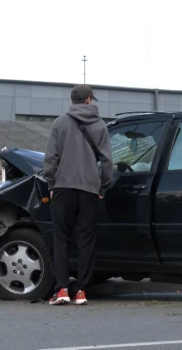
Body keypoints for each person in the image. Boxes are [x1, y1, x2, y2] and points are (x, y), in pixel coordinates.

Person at [43, 84, 113, 305]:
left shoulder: (60, 123)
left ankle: (62, 289)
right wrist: (103, 187)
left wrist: (52, 183)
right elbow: (107, 162)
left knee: (61, 240)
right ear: (90, 100)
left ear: (73, 101)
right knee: (85, 240)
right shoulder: (101, 125)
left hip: (63, 188)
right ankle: (81, 291)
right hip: (89, 190)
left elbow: (50, 158)